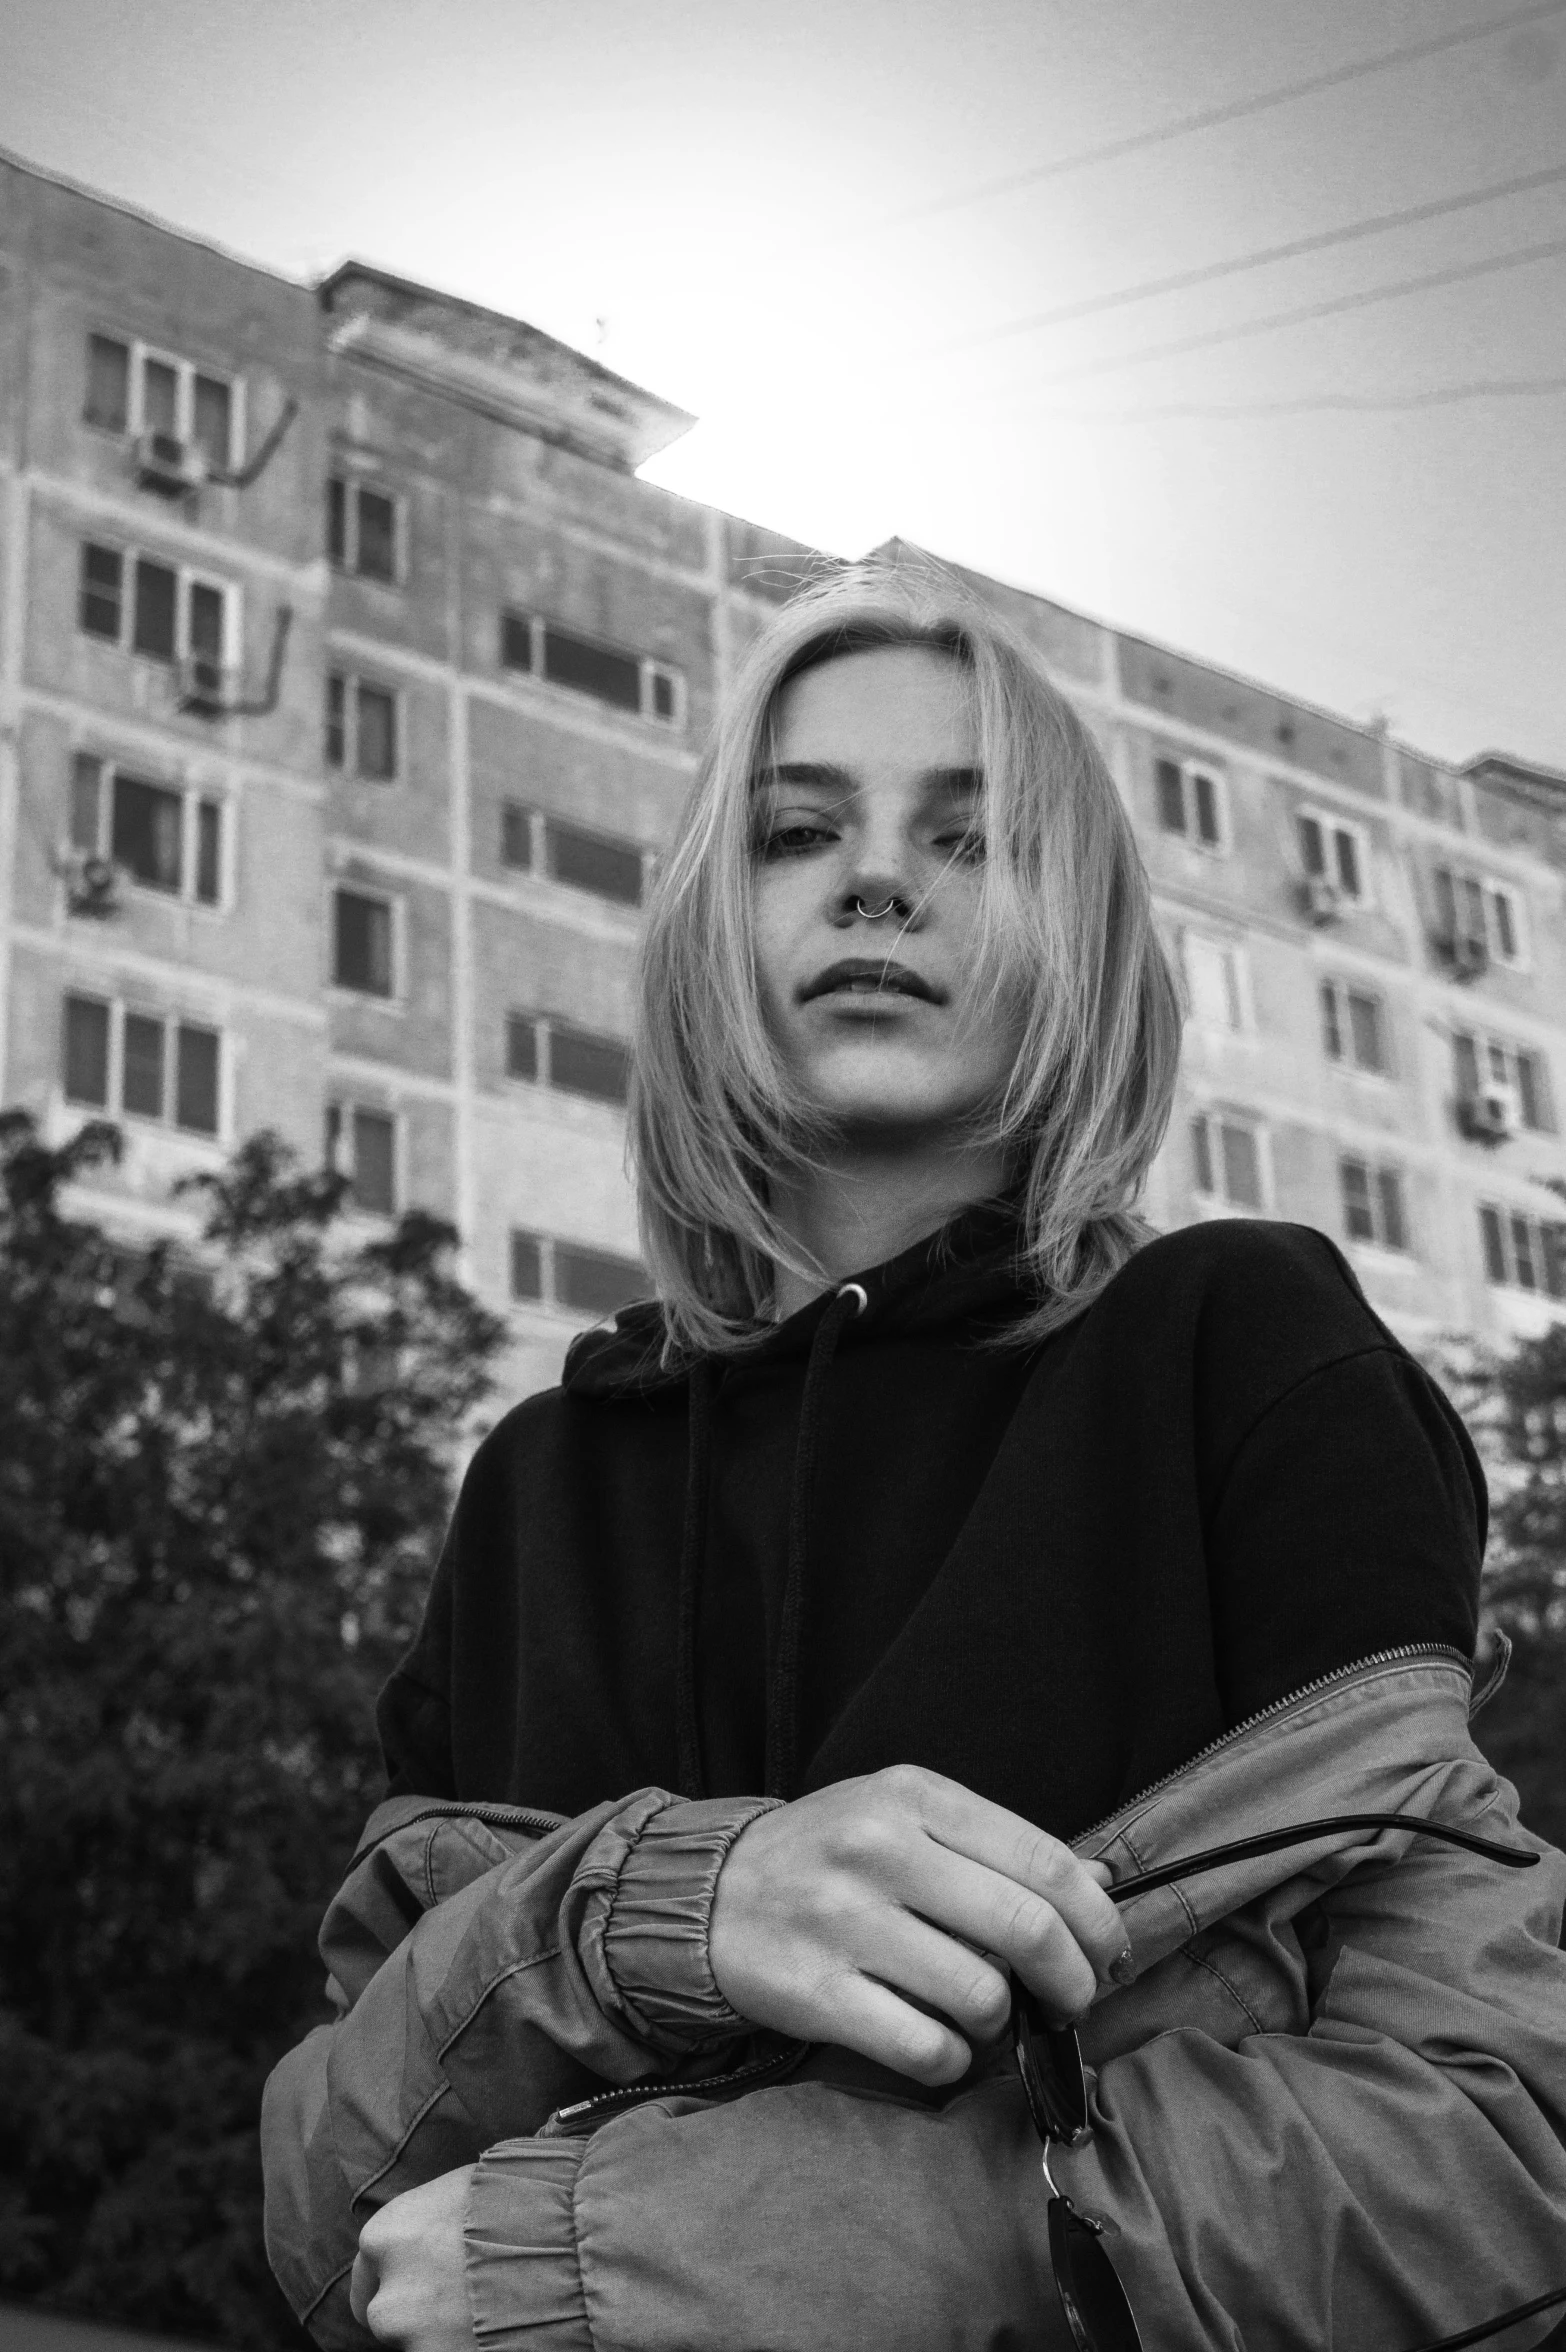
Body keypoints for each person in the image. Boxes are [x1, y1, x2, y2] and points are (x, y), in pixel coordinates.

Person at [262, 564, 1566, 2352]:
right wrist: (660, 1910)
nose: (877, 878)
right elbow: (333, 2207)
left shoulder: (1243, 1354)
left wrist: (808, 2239)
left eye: (972, 840)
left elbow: (1494, 2139)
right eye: (799, 831)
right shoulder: (542, 1481)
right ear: (709, 921)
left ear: (1086, 934)